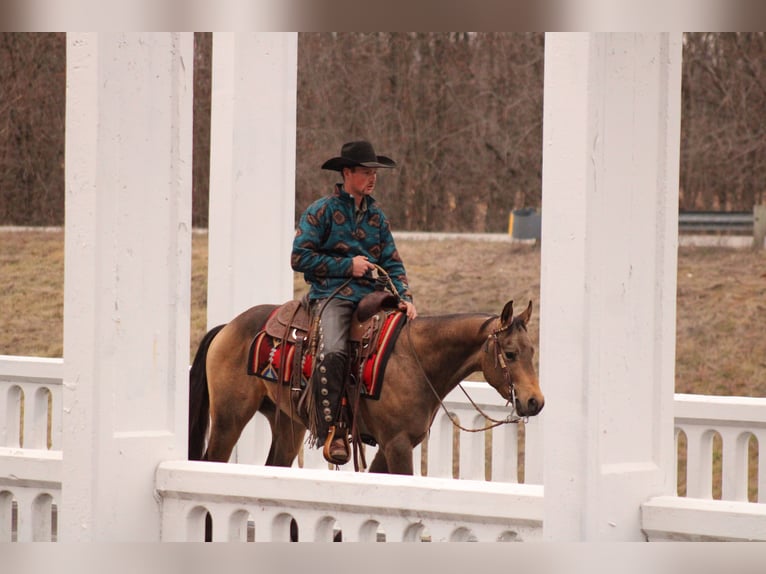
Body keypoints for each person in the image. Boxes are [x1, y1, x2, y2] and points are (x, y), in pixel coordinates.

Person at [291, 140, 418, 464]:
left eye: (374, 172)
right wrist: (347, 266)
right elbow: (299, 257)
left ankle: (382, 417)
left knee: (402, 347)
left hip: (374, 297)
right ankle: (333, 429)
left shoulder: (377, 216)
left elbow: (392, 263)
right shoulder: (321, 211)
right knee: (333, 350)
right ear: (346, 173)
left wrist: (404, 298)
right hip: (332, 295)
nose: (372, 178)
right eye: (365, 172)